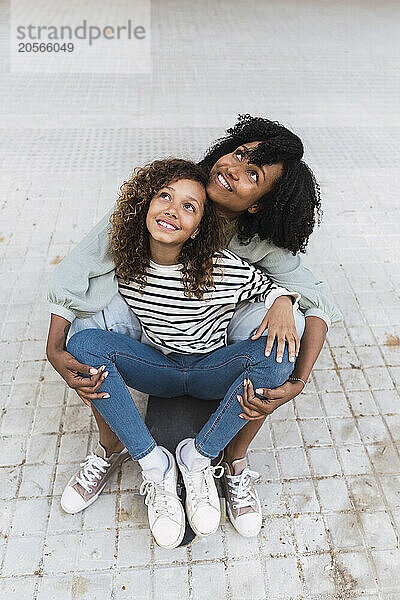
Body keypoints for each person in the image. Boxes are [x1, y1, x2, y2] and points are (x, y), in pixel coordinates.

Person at [46, 115, 341, 537]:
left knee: (285, 330)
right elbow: (80, 265)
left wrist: (296, 372)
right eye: (238, 154)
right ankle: (111, 446)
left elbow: (316, 298)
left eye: (251, 174)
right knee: (83, 327)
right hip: (149, 318)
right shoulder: (165, 197)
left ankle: (232, 461)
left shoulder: (249, 241)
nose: (233, 169)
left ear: (258, 203)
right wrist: (56, 345)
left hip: (212, 329)